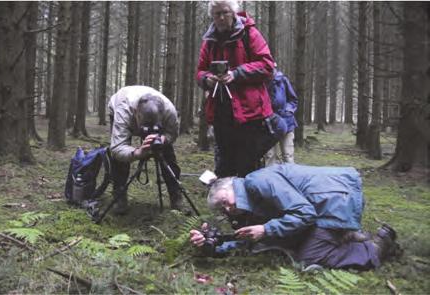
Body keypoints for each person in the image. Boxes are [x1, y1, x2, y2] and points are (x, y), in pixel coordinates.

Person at [190, 163, 400, 270]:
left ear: (232, 186)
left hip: (336, 202)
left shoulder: (257, 182)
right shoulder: (249, 202)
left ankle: (375, 247)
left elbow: (304, 212)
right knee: (286, 239)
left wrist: (266, 229)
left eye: (225, 200)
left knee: (308, 258)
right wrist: (211, 245)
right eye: (221, 208)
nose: (227, 209)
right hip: (328, 204)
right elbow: (252, 242)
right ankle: (347, 236)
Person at [196, 0, 278, 178]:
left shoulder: (249, 33)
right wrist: (206, 79)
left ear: (233, 13)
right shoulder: (209, 41)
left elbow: (267, 65)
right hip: (220, 112)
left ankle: (247, 204)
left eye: (225, 12)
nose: (221, 17)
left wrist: (237, 74)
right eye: (217, 14)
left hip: (250, 114)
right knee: (224, 164)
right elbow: (200, 71)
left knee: (248, 165)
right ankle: (226, 202)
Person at [108, 85, 182, 214]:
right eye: (145, 126)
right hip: (121, 105)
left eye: (154, 126)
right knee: (119, 161)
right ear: (135, 113)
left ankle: (176, 195)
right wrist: (138, 152)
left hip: (152, 118)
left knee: (168, 155)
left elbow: (172, 133)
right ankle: (119, 197)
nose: (148, 131)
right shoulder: (123, 111)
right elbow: (117, 148)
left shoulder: (169, 111)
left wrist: (164, 139)